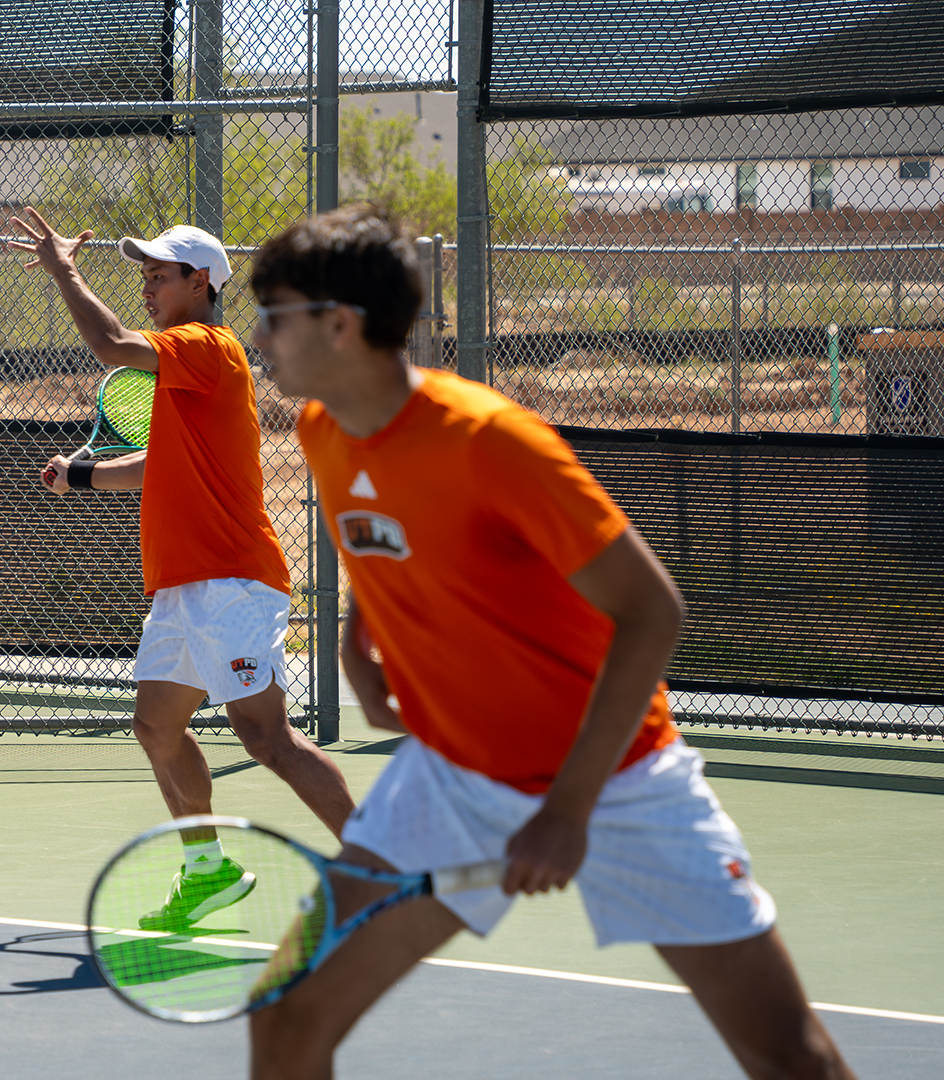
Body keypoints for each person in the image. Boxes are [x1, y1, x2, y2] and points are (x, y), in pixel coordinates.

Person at [245, 202, 853, 1079]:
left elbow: (653, 612)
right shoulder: (322, 428)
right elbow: (383, 530)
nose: (259, 335)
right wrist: (357, 644)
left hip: (619, 783)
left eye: (276, 315)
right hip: (451, 782)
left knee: (792, 1058)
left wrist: (567, 811)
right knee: (290, 1019)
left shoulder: (493, 443)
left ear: (340, 325)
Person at [9, 207, 355, 929]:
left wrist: (64, 272)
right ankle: (207, 869)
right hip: (181, 586)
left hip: (231, 578)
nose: (147, 287)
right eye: (143, 276)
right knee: (156, 727)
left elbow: (108, 345)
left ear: (200, 283)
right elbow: (157, 465)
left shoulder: (207, 346)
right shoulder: (180, 376)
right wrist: (79, 478)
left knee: (266, 739)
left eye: (158, 275)